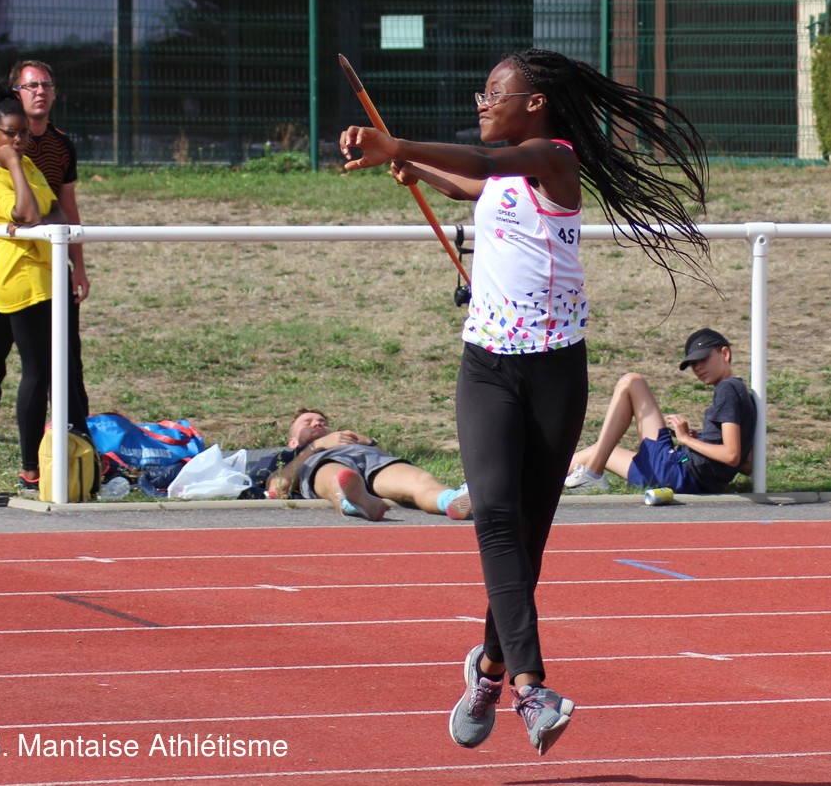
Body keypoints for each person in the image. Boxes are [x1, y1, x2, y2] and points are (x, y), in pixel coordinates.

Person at [340, 47, 709, 755]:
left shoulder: (553, 159)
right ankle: (531, 687)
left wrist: (400, 145)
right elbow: (469, 183)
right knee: (497, 519)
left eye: (493, 93)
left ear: (534, 104)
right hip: (488, 370)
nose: (482, 104)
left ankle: (487, 667)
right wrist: (415, 169)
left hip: (554, 374)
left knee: (527, 537)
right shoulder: (505, 172)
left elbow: (484, 164)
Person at [0, 60, 89, 470]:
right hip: (0, 260)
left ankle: (76, 446)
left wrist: (78, 265)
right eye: (31, 85)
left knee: (64, 362)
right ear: (16, 93)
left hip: (48, 263)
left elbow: (63, 210)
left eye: (46, 84)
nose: (40, 92)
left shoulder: (56, 146)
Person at [564, 328, 754, 495]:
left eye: (703, 358)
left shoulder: (727, 389)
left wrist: (686, 439)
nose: (698, 368)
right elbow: (747, 465)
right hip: (683, 478)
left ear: (725, 353)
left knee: (631, 381)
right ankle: (555, 477)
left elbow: (731, 455)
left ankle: (591, 474)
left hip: (677, 472)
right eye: (693, 364)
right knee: (602, 452)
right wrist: (701, 439)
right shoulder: (744, 394)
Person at [252, 408, 471, 520]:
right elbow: (277, 486)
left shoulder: (351, 439)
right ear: (292, 441)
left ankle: (450, 500)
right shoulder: (287, 455)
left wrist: (371, 443)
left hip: (371, 458)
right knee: (337, 474)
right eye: (307, 422)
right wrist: (316, 446)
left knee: (418, 480)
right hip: (321, 462)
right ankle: (353, 500)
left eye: (322, 421)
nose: (317, 423)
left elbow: (383, 458)